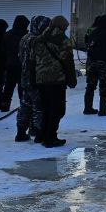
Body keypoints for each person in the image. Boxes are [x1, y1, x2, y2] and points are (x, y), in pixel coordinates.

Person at [33, 15, 77, 146]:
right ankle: (50, 138)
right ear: (61, 27)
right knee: (57, 110)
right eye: (65, 27)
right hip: (56, 80)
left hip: (40, 79)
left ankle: (41, 135)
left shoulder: (39, 39)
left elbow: (32, 59)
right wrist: (72, 80)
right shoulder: (63, 40)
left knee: (45, 108)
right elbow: (67, 61)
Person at [15, 15, 49, 142]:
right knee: (38, 106)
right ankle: (38, 132)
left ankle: (20, 131)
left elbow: (19, 56)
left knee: (25, 105)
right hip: (36, 77)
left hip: (24, 78)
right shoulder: (37, 40)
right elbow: (39, 60)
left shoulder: (25, 37)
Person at [84, 14, 106, 116]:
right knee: (104, 86)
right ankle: (103, 110)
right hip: (104, 63)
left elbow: (88, 44)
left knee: (90, 86)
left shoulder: (93, 32)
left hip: (91, 63)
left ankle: (88, 108)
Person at [0, 15, 28, 111]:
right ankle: (23, 105)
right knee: (22, 87)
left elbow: (2, 51)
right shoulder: (27, 36)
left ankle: (4, 105)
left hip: (10, 65)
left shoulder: (7, 35)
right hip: (23, 65)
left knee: (8, 86)